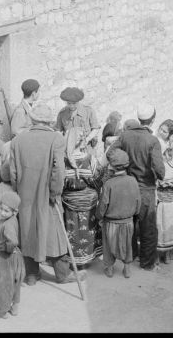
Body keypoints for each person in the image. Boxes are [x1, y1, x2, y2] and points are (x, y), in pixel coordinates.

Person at [10, 103, 85, 285]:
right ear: (49, 121)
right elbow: (58, 171)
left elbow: (13, 172)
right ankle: (62, 275)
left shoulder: (18, 140)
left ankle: (31, 275)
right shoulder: (56, 139)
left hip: (25, 194)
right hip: (47, 194)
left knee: (28, 231)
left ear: (33, 119)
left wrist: (18, 190)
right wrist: (55, 192)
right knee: (55, 234)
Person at [112, 103, 164, 271]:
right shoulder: (152, 140)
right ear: (153, 119)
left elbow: (111, 153)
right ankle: (147, 262)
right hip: (146, 187)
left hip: (128, 185)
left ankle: (131, 254)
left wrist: (125, 166)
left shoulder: (125, 135)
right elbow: (159, 169)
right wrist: (159, 176)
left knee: (131, 223)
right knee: (148, 226)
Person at [56, 87, 102, 266]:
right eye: (68, 104)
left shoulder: (88, 111)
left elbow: (96, 128)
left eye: (73, 104)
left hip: (85, 152)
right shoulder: (62, 114)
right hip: (69, 154)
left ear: (79, 102)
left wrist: (86, 139)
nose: (70, 106)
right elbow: (59, 132)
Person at [97, 148, 141, 278]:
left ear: (111, 165)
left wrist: (99, 216)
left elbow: (103, 205)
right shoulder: (133, 181)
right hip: (128, 222)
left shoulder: (109, 184)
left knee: (108, 245)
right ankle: (127, 269)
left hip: (111, 222)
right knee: (127, 245)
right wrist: (134, 214)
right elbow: (138, 201)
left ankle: (109, 268)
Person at [0, 191, 25, 319]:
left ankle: (3, 310)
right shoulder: (12, 220)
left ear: (14, 212)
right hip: (15, 256)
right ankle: (15, 307)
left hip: (5, 257)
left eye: (6, 211)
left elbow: (13, 241)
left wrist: (6, 249)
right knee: (15, 282)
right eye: (1, 208)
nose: (2, 212)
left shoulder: (7, 224)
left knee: (2, 284)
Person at [155, 119, 173, 263]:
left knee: (169, 222)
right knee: (158, 223)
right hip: (158, 192)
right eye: (160, 128)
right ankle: (158, 254)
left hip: (169, 194)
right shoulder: (155, 142)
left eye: (164, 131)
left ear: (171, 135)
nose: (161, 132)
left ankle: (166, 253)